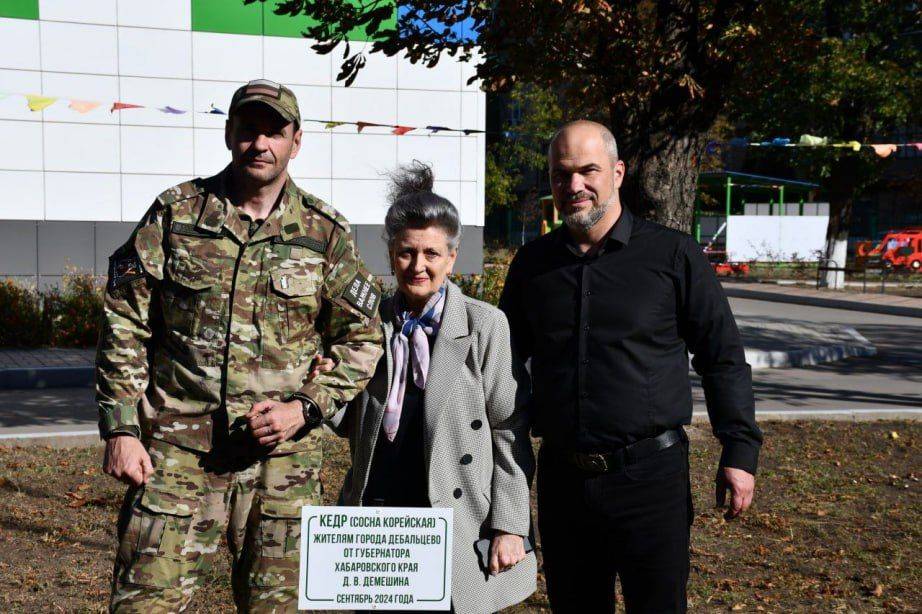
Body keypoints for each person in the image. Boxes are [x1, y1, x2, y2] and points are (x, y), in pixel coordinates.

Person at [96, 79, 384, 612]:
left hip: (283, 467)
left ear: (296, 141)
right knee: (144, 605)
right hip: (175, 459)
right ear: (230, 133)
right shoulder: (176, 216)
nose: (261, 143)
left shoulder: (325, 235)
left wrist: (306, 407)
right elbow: (125, 320)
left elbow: (363, 337)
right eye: (248, 129)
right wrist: (120, 428)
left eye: (274, 131)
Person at [498, 120, 763, 613]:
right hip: (563, 481)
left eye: (588, 171)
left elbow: (722, 355)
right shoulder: (532, 266)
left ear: (617, 172)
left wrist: (740, 449)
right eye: (561, 174)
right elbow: (501, 364)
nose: (574, 186)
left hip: (650, 481)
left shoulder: (672, 255)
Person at [323, 162, 537, 613]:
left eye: (431, 254)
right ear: (390, 253)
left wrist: (511, 523)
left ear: (452, 257)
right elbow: (351, 426)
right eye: (406, 253)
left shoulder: (484, 325)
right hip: (380, 520)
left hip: (455, 519)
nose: (417, 266)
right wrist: (323, 380)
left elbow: (509, 427)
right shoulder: (368, 324)